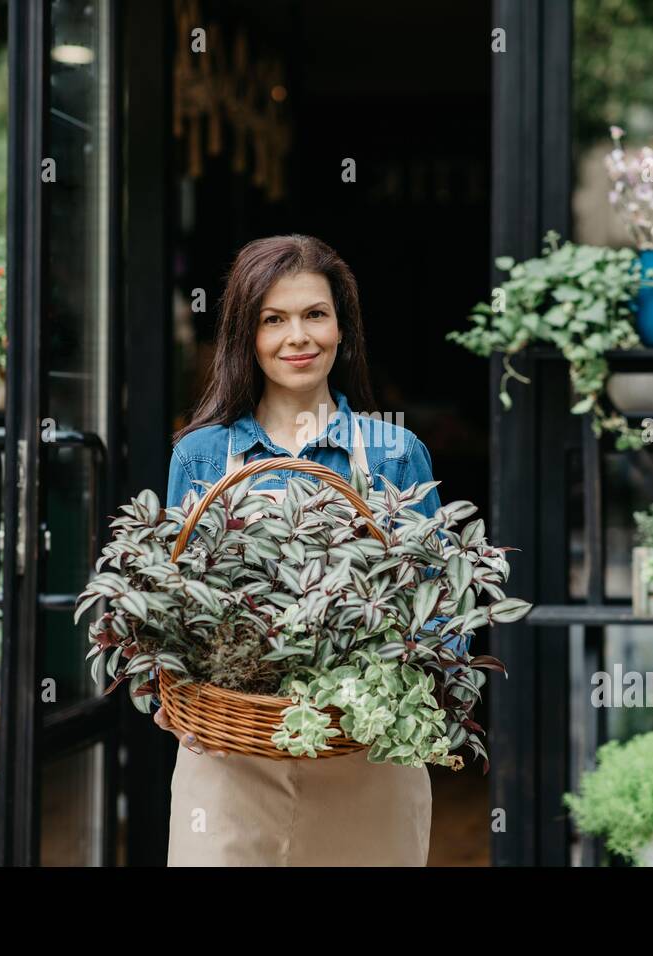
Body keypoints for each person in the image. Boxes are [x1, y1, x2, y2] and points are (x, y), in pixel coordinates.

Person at [160, 234, 452, 866]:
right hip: (230, 760)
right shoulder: (202, 455)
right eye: (274, 319)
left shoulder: (395, 452)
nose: (299, 336)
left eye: (315, 315)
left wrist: (417, 687)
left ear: (342, 330)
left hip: (366, 754)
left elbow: (442, 610)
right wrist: (169, 683)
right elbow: (169, 600)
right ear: (247, 336)